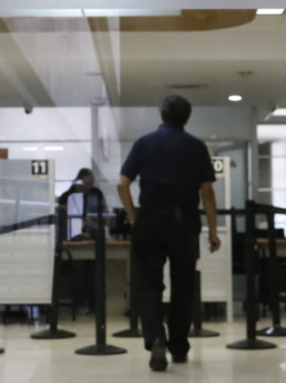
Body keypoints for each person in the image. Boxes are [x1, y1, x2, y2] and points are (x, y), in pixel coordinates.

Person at [118, 95, 221, 372]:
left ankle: (156, 339)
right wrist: (212, 230)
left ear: (160, 113)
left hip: (149, 220)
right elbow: (207, 191)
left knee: (148, 284)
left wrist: (134, 216)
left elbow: (122, 184)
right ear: (187, 117)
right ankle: (178, 345)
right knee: (183, 285)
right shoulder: (196, 147)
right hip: (184, 222)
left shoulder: (143, 143)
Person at [58, 168, 108, 314]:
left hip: (94, 237)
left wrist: (105, 219)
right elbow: (62, 217)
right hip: (75, 241)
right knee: (79, 272)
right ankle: (80, 303)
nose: (89, 186)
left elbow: (105, 213)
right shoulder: (67, 196)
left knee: (95, 272)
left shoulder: (96, 194)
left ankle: (94, 304)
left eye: (91, 183)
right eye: (87, 183)